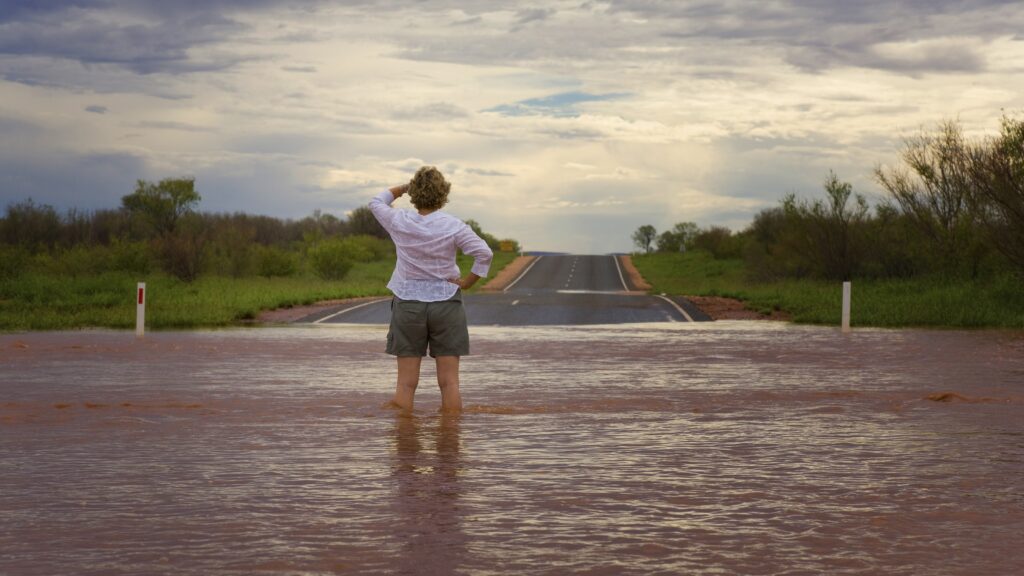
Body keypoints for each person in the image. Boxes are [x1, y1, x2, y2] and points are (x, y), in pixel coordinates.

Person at [369, 166, 493, 413]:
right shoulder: (454, 226)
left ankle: (405, 444)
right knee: (449, 383)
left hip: (407, 303)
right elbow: (484, 253)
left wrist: (405, 187)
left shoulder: (398, 220)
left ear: (414, 194)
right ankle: (450, 443)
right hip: (446, 303)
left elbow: (376, 202)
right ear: (443, 194)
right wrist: (468, 282)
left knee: (405, 383)